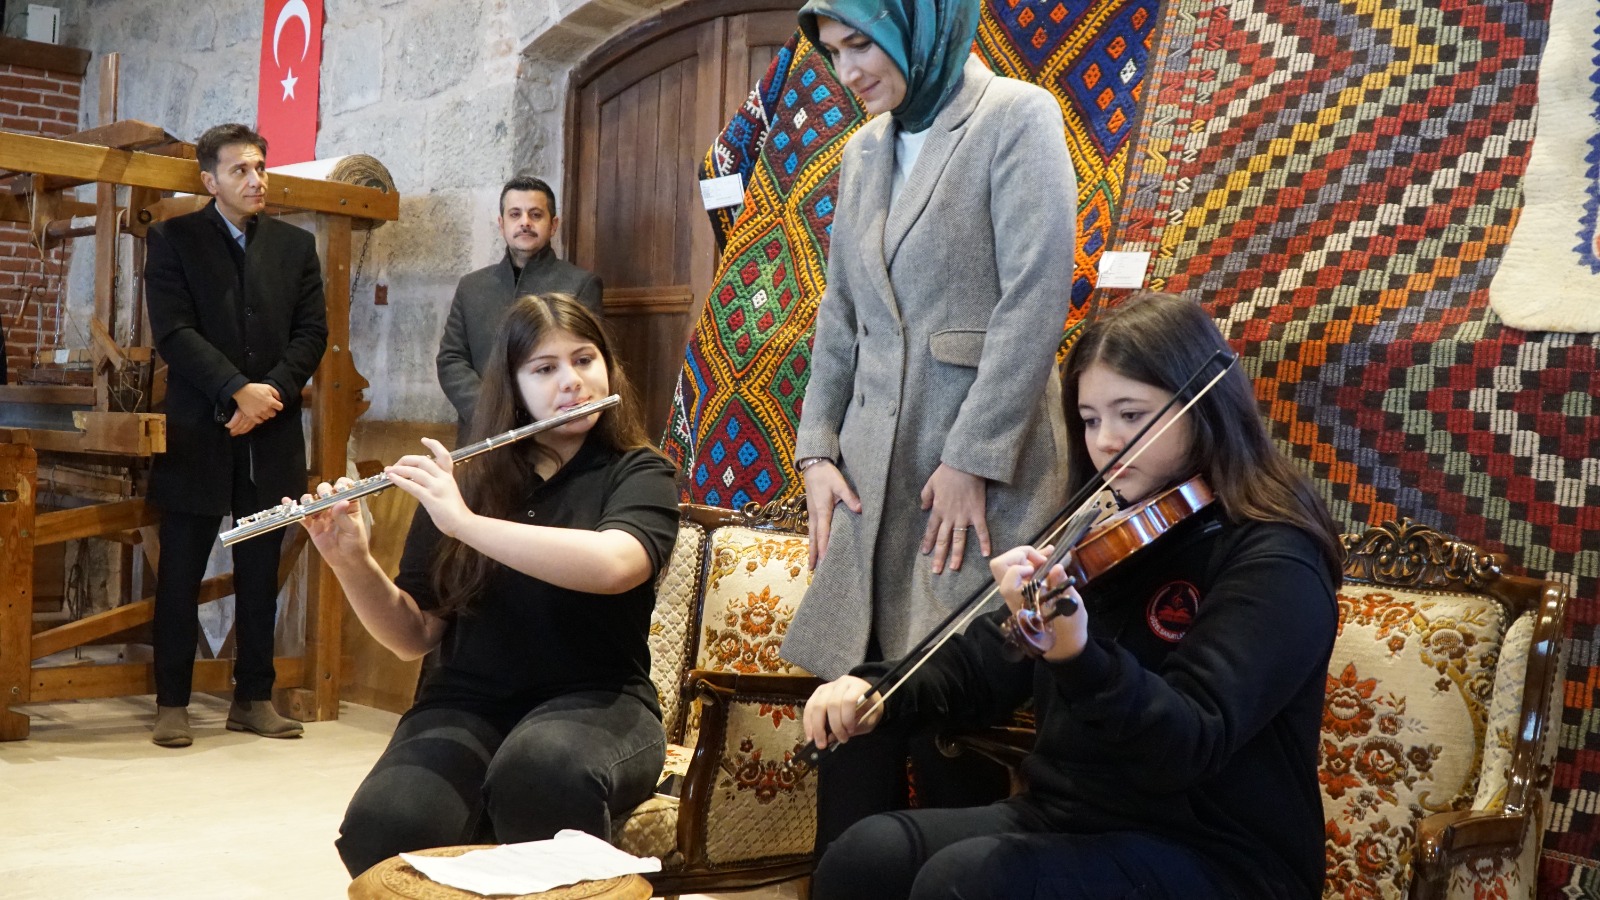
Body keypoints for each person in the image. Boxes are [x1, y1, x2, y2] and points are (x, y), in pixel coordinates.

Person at [801, 291, 1344, 900]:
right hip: (1074, 822)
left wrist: (1080, 657)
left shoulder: (1276, 556)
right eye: (1090, 419)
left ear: (1203, 408)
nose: (1107, 441)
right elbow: (990, 661)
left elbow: (1189, 743)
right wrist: (880, 693)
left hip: (1220, 853)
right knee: (864, 857)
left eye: (1131, 415)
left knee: (966, 883)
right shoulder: (1107, 529)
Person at [782, 0, 1078, 847]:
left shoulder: (1016, 116)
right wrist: (815, 451)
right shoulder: (862, 149)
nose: (848, 74)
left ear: (921, 25)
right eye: (834, 54)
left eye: (861, 46)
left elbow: (1035, 298)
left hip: (980, 468)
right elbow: (839, 312)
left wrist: (972, 458)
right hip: (873, 467)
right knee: (852, 714)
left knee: (951, 706)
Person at [299, 293, 677, 877]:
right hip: (466, 703)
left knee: (540, 773)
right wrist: (351, 561)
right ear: (514, 386)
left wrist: (466, 525)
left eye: (584, 360)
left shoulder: (638, 471)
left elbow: (613, 565)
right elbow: (413, 634)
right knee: (386, 825)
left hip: (600, 700)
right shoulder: (464, 481)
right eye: (545, 369)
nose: (572, 382)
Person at [144, 123, 328, 748]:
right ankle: (171, 702)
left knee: (259, 571)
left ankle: (253, 698)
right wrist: (234, 391)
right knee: (181, 573)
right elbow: (174, 332)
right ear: (209, 180)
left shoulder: (294, 247)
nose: (256, 181)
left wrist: (267, 394)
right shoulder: (172, 239)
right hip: (200, 427)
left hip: (270, 433)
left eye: (260, 168)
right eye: (240, 171)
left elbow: (312, 334)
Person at [437, 177, 603, 432]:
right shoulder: (472, 287)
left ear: (553, 225)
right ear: (502, 224)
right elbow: (451, 359)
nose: (525, 222)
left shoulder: (581, 285)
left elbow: (588, 362)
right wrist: (490, 411)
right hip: (483, 434)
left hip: (553, 433)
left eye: (536, 214)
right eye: (515, 214)